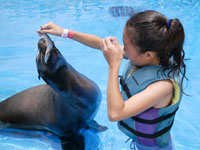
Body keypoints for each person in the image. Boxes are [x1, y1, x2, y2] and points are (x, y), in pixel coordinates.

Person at [38, 10, 187, 150]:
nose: (122, 48)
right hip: (142, 139)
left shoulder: (162, 86)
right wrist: (64, 32)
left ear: (148, 55)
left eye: (126, 46)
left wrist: (113, 65)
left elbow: (115, 114)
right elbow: (100, 43)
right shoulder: (150, 56)